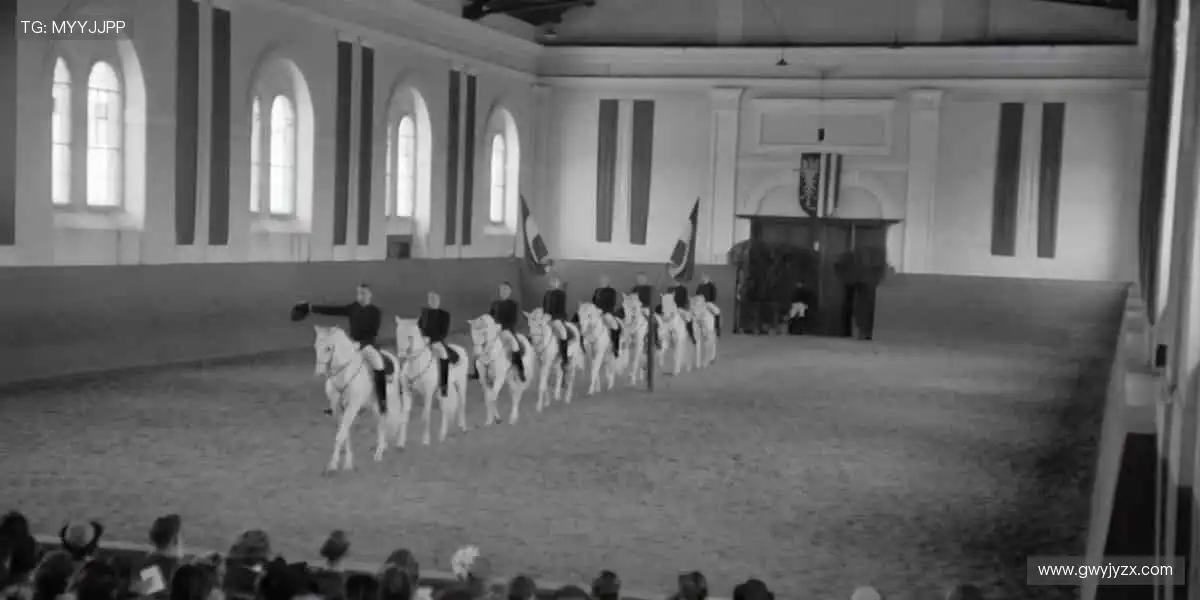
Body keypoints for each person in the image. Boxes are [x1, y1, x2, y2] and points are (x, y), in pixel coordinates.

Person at [293, 284, 389, 414]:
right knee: (335, 364)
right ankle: (336, 402)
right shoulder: (353, 308)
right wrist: (311, 308)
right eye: (359, 293)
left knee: (378, 365)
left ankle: (382, 401)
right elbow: (334, 310)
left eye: (363, 293)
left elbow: (374, 332)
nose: (361, 296)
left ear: (370, 295)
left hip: (368, 345)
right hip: (351, 345)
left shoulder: (375, 312)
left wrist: (361, 344)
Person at [419, 292, 459, 398]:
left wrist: (431, 339)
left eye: (435, 300)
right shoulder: (424, 313)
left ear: (439, 301)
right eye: (431, 300)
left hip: (436, 341)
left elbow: (444, 332)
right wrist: (422, 337)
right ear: (428, 301)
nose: (433, 302)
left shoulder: (444, 315)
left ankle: (444, 387)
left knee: (444, 356)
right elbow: (419, 327)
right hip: (423, 341)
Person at [489, 282, 526, 382]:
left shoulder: (513, 304)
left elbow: (513, 321)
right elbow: (490, 317)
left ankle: (520, 370)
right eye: (502, 289)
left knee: (515, 346)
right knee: (480, 346)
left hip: (507, 330)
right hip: (494, 331)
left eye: (506, 289)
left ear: (510, 291)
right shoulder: (494, 304)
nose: (503, 291)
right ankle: (478, 372)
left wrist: (501, 327)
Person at [542, 276, 571, 372]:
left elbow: (561, 309)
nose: (553, 283)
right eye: (552, 281)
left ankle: (565, 358)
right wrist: (545, 316)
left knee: (563, 333)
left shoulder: (561, 294)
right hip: (546, 317)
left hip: (557, 318)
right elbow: (544, 306)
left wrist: (552, 318)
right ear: (549, 282)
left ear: (558, 283)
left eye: (555, 281)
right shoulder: (547, 293)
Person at [591, 275, 623, 357]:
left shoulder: (611, 291)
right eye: (601, 281)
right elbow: (594, 302)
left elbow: (612, 303)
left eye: (604, 281)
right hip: (596, 313)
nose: (602, 282)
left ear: (608, 282)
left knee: (614, 326)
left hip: (607, 312)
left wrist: (603, 311)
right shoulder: (597, 290)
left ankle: (616, 347)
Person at [665, 280, 696, 345]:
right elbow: (667, 299)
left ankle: (692, 335)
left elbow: (685, 299)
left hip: (680, 308)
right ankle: (669, 336)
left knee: (689, 319)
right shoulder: (671, 289)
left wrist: (686, 307)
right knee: (668, 321)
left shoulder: (683, 289)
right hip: (674, 308)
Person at [695, 273, 719, 337]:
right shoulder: (700, 286)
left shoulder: (712, 286)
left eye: (705, 278)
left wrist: (709, 301)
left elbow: (714, 296)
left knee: (717, 312)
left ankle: (717, 328)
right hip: (701, 303)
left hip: (708, 302)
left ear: (708, 279)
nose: (704, 280)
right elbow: (697, 294)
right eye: (703, 278)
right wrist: (699, 300)